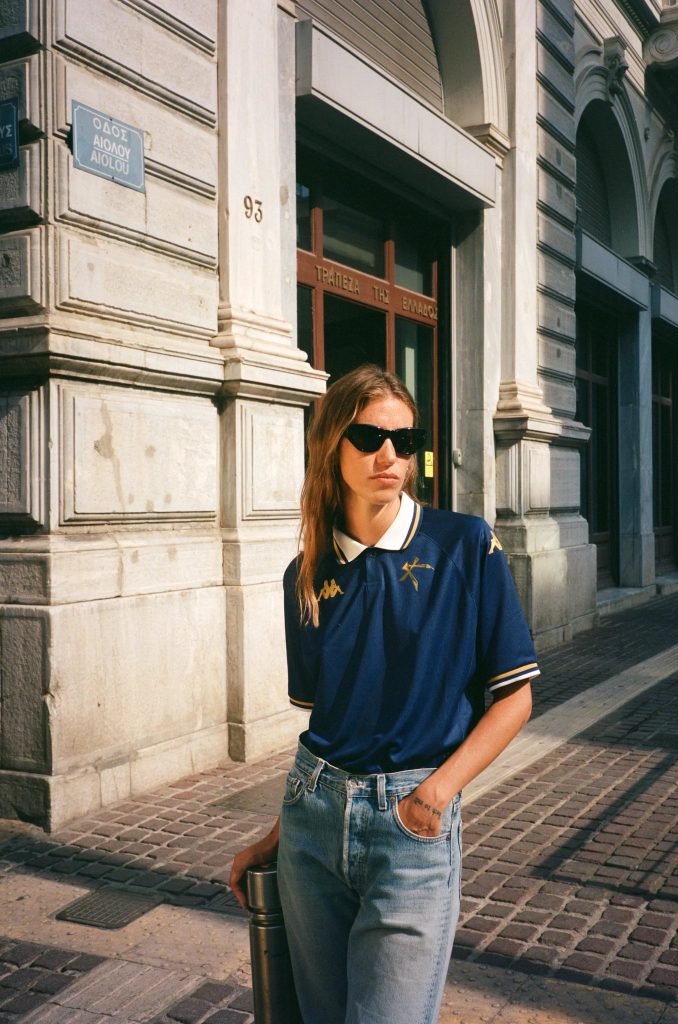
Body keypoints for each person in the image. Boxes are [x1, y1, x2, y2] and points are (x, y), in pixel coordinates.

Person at [229, 364, 538, 1024]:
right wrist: (278, 837)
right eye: (369, 438)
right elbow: (336, 724)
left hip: (411, 829)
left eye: (405, 439)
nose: (389, 456)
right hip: (313, 820)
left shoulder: (466, 546)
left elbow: (515, 698)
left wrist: (434, 797)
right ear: (331, 445)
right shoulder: (305, 575)